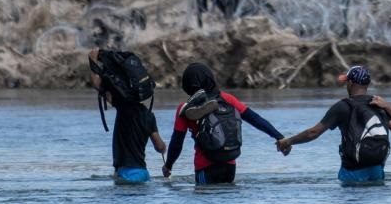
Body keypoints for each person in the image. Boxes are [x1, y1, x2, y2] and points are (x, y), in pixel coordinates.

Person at [161, 63, 288, 185]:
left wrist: (168, 165)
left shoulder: (186, 109)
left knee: (204, 198)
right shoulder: (228, 99)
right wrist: (279, 137)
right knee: (226, 196)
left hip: (205, 166)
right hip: (229, 163)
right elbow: (254, 118)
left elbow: (177, 142)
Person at [276, 65, 391, 184]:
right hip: (377, 170)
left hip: (352, 172)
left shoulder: (342, 106)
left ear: (350, 83)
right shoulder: (379, 104)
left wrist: (288, 142)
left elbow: (313, 133)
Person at [88, 48, 166, 184]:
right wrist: (164, 149)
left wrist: (92, 59)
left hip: (125, 174)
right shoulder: (148, 116)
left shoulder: (122, 107)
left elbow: (97, 85)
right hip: (143, 173)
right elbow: (160, 147)